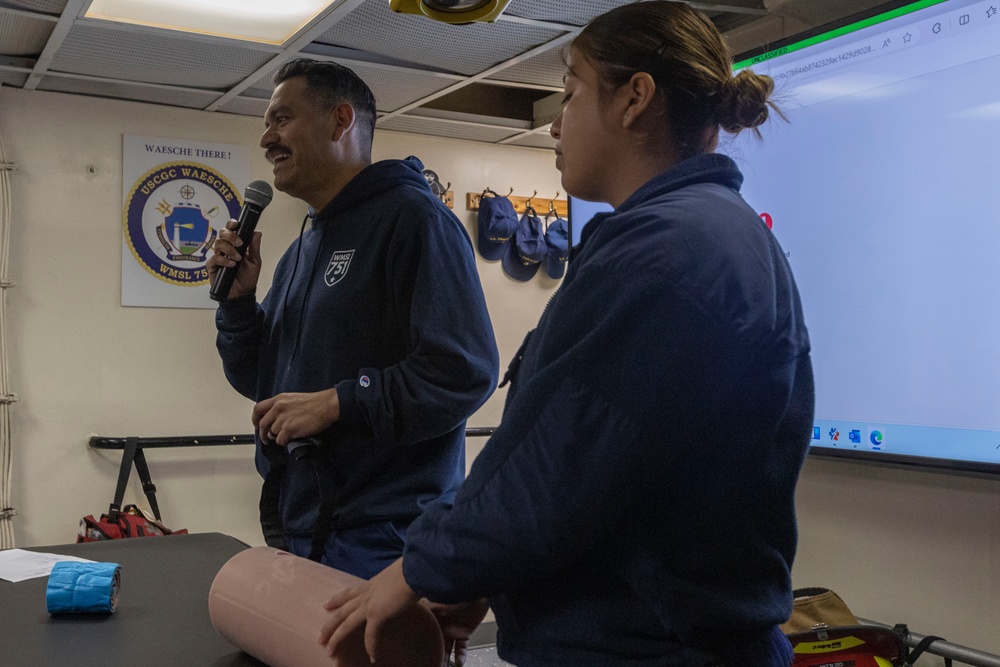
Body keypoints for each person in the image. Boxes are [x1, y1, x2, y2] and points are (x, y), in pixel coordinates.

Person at [318, 3, 814, 667]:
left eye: (572, 93)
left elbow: (556, 462)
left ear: (635, 97)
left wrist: (418, 569)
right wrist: (484, 574)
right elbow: (602, 475)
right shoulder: (698, 235)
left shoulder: (670, 251)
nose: (554, 122)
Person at [207, 58, 499, 582]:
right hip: (305, 525)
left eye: (281, 119)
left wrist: (341, 400)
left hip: (384, 537)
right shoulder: (301, 250)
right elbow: (261, 382)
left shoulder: (415, 220)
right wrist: (238, 304)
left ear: (340, 121)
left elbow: (462, 371)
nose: (266, 138)